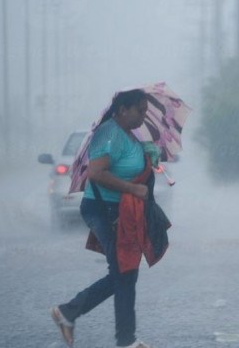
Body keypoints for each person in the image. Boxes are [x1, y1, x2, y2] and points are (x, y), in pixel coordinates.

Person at [51, 89, 151, 348]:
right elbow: (96, 173)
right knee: (124, 271)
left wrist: (149, 158)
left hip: (121, 212)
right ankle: (125, 341)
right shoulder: (108, 133)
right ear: (122, 109)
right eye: (139, 110)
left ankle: (69, 312)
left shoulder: (129, 136)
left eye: (145, 110)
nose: (144, 115)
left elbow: (127, 168)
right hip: (102, 209)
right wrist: (132, 189)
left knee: (124, 272)